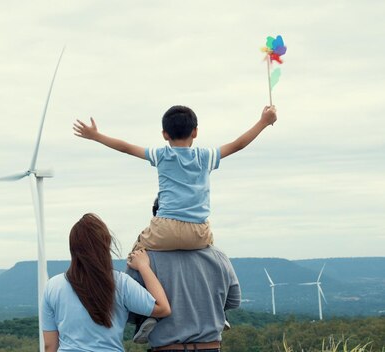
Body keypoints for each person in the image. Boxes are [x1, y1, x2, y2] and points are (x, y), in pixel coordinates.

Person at [73, 105, 278, 252]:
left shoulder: (161, 155)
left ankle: (139, 304)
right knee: (213, 258)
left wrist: (96, 136)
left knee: (137, 254)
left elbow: (126, 148)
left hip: (165, 228)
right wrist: (263, 122)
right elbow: (238, 144)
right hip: (199, 232)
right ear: (195, 132)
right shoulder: (205, 157)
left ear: (164, 134)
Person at [41, 213, 171, 352]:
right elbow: (163, 308)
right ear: (105, 245)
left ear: (73, 248)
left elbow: (50, 345)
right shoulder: (120, 283)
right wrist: (143, 266)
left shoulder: (53, 286)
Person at [127, 246, 241, 351]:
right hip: (210, 346)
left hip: (167, 347)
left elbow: (131, 309)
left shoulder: (143, 258)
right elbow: (234, 301)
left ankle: (150, 320)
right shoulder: (219, 256)